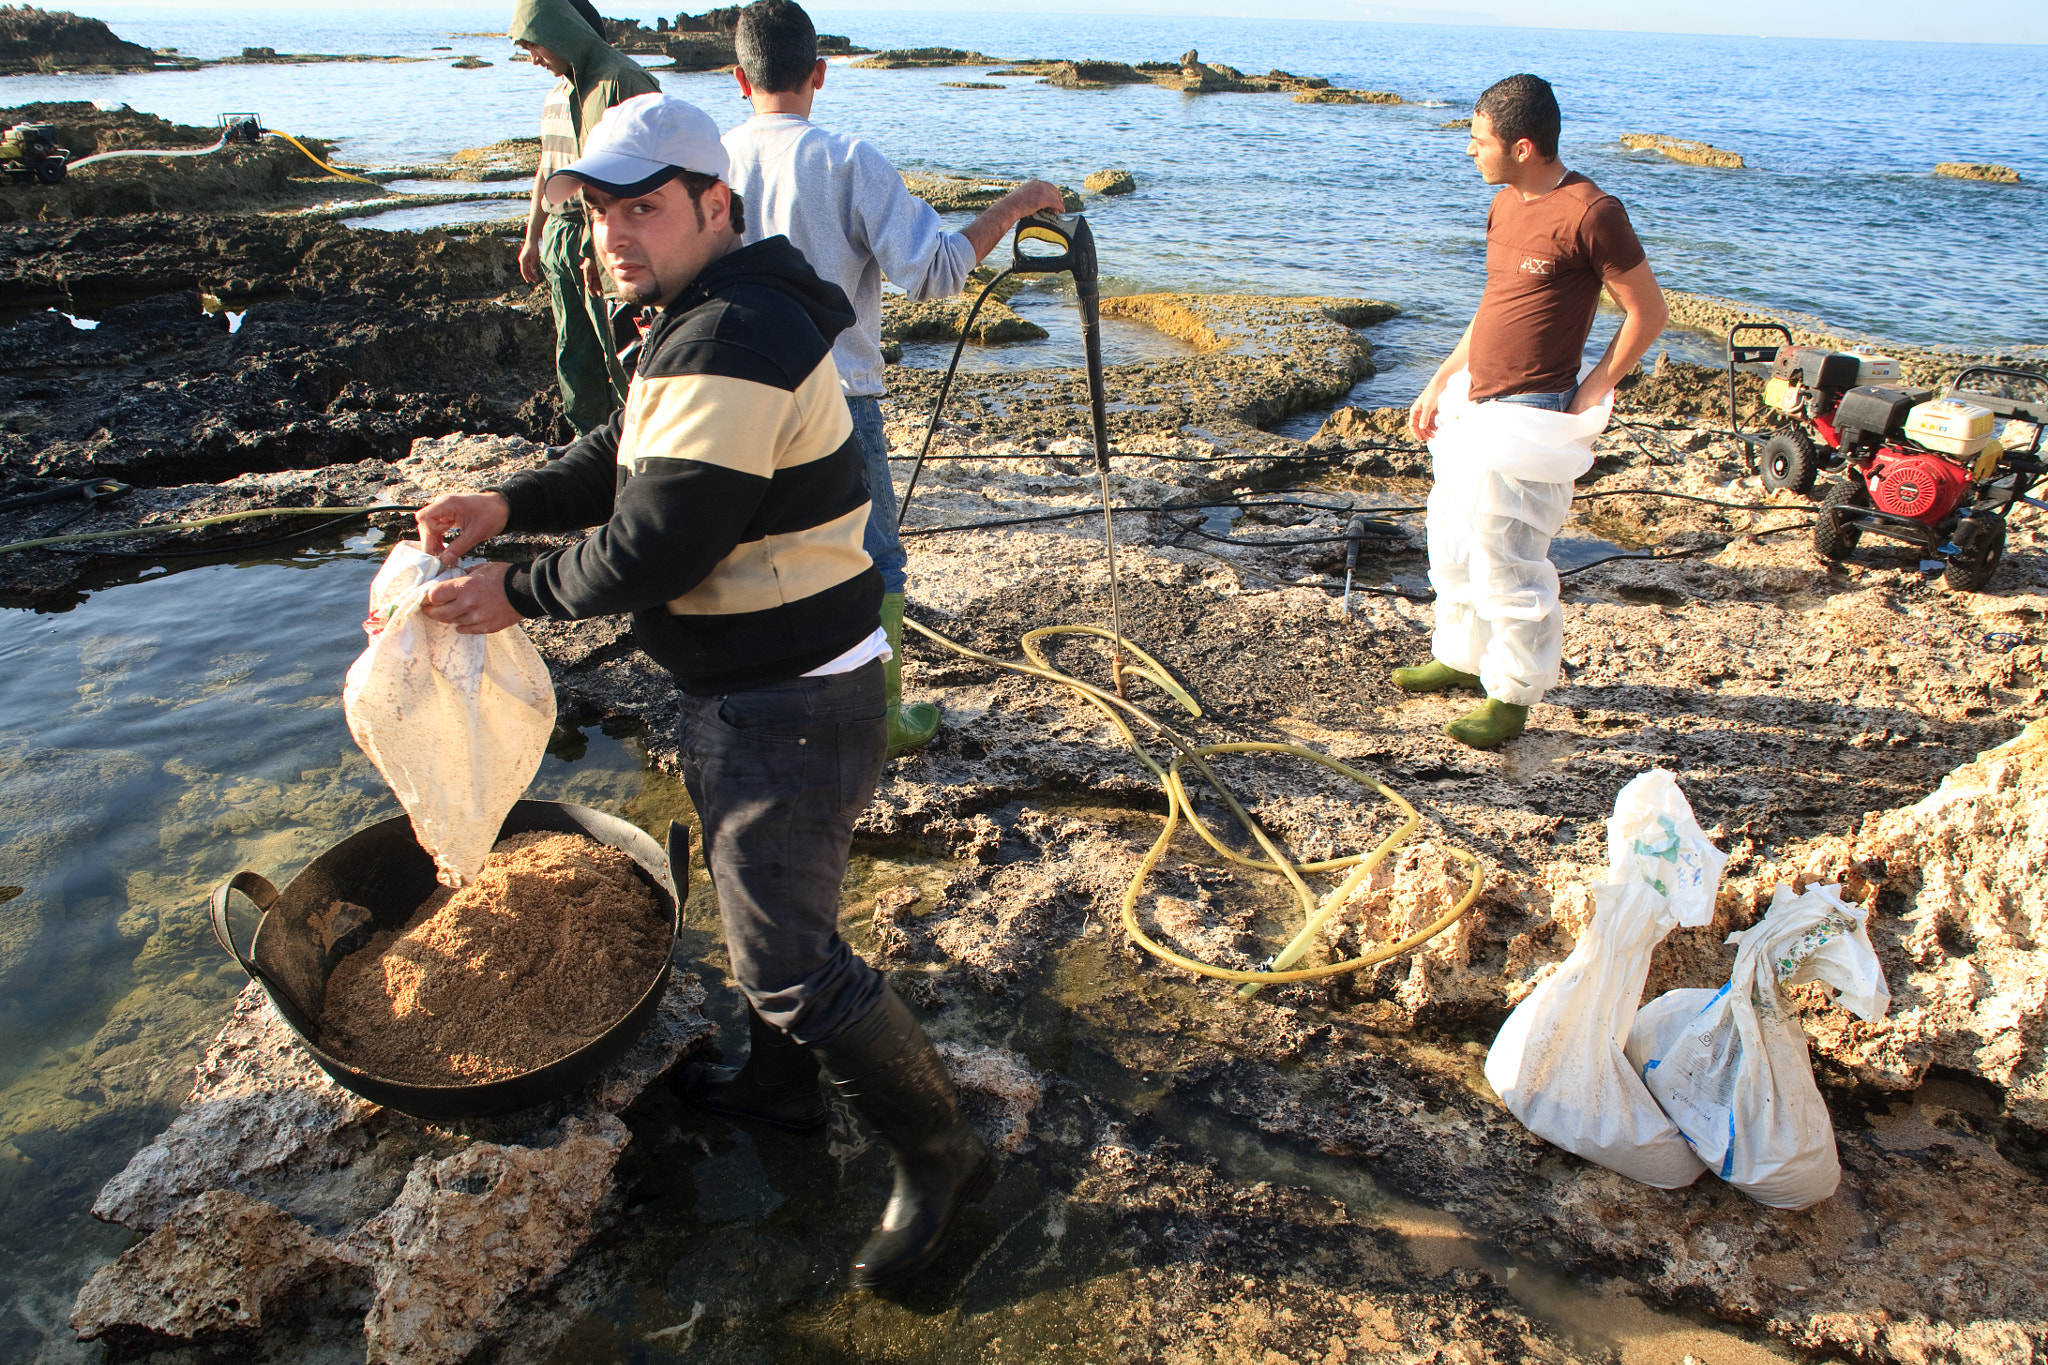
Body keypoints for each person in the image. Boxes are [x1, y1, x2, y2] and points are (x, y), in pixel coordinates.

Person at [411, 93, 994, 1293]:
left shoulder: (728, 334)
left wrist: (513, 592)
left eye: (643, 207)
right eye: (596, 213)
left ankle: (946, 1158)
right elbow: (629, 455)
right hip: (763, 683)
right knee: (767, 907)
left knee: (788, 961)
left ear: (711, 205)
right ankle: (781, 1092)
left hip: (789, 697)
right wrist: (508, 505)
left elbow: (662, 540)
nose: (613, 234)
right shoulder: (702, 315)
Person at [721, 0, 1066, 758]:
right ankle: (879, 718)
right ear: (818, 72)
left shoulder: (710, 164)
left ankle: (772, 709)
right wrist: (1018, 202)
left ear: (739, 79)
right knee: (873, 558)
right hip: (838, 399)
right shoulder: (848, 161)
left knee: (755, 552)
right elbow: (937, 272)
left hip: (734, 401)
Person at [1402, 73, 1667, 750]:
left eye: (1479, 139)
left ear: (1522, 146)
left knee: (1508, 557)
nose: (1470, 150)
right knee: (1454, 536)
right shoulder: (1506, 204)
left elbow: (1648, 312)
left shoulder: (1591, 212)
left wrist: (1591, 390)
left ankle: (1513, 693)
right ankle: (1461, 656)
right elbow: (1495, 308)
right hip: (1474, 401)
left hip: (1531, 409)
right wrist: (1441, 377)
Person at [510, 0, 659, 435]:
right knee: (573, 350)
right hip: (560, 237)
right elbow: (545, 168)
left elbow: (646, 176)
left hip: (600, 235)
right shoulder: (560, 93)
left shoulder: (621, 81)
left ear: (558, 31)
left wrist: (601, 248)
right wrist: (531, 238)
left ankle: (633, 445)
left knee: (622, 350)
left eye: (534, 45)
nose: (533, 58)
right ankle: (587, 443)